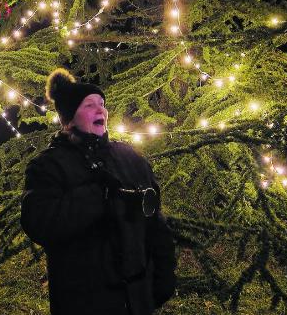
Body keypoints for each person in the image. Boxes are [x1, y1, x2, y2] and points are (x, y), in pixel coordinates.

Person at [20, 68, 177, 315]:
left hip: (137, 298)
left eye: (102, 104)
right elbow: (40, 223)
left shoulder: (128, 157)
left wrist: (164, 274)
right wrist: (97, 196)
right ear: (70, 118)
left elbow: (155, 221)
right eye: (89, 105)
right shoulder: (49, 165)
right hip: (83, 300)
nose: (100, 110)